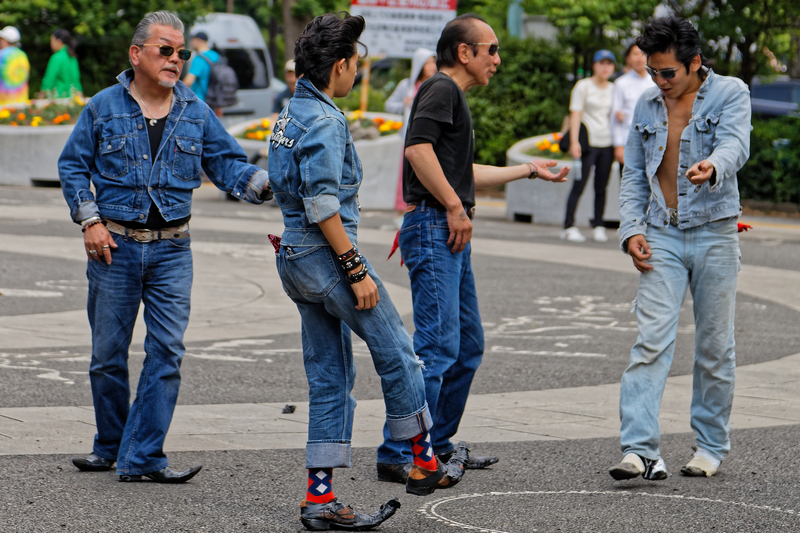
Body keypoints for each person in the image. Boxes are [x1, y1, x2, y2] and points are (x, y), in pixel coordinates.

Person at [267, 12, 468, 531]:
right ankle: (424, 461)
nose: (357, 72)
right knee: (400, 355)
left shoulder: (290, 114)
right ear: (339, 66)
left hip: (293, 258)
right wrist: (356, 269)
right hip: (327, 259)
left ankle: (320, 499)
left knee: (330, 377)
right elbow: (323, 205)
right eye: (355, 63)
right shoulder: (327, 121)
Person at [58, 11, 272, 484]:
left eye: (182, 53)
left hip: (174, 250)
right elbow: (73, 167)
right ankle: (111, 447)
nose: (176, 59)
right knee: (107, 356)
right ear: (136, 54)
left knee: (167, 352)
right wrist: (90, 221)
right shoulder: (103, 106)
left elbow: (228, 164)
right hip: (113, 246)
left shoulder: (196, 111)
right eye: (166, 50)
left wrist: (268, 185)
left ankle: (143, 457)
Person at [375, 13, 570, 485]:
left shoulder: (450, 96)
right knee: (437, 350)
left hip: (446, 227)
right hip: (435, 226)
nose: (498, 60)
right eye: (493, 49)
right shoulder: (441, 88)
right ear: (465, 52)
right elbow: (418, 154)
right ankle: (399, 451)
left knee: (466, 347)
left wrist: (528, 170)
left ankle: (435, 444)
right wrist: (453, 208)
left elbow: (461, 173)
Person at [610, 17, 750, 482]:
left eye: (668, 73)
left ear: (695, 63)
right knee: (650, 342)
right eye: (652, 72)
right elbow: (633, 175)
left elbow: (736, 143)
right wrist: (631, 230)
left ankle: (710, 445)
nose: (659, 81)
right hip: (661, 233)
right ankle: (640, 450)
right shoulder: (648, 105)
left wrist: (713, 165)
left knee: (714, 347)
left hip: (715, 231)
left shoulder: (731, 92)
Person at [561, 49, 616, 243]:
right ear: (594, 65)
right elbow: (575, 114)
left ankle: (598, 225)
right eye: (602, 63)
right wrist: (574, 141)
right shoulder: (583, 86)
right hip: (587, 143)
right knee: (579, 184)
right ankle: (568, 226)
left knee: (602, 187)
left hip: (607, 143)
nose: (605, 67)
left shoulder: (613, 88)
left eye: (609, 64)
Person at [385, 47, 437, 226]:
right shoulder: (406, 85)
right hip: (409, 138)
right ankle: (402, 213)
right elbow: (389, 105)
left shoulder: (436, 85)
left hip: (430, 139)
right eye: (428, 62)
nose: (432, 66)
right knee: (405, 176)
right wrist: (402, 104)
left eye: (433, 62)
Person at [610, 44, 654, 168]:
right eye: (635, 54)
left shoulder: (655, 82)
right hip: (628, 143)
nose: (639, 58)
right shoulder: (621, 83)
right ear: (628, 58)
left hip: (652, 143)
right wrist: (618, 145)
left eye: (643, 54)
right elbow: (615, 116)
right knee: (629, 185)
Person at [39, 29, 83, 99]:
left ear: (59, 41)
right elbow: (76, 80)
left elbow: (49, 80)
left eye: (52, 40)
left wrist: (40, 97)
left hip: (59, 100)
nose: (51, 43)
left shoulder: (56, 57)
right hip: (73, 100)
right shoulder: (72, 57)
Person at [183, 31, 220, 113]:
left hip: (200, 103)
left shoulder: (199, 59)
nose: (191, 43)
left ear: (198, 40)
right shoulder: (216, 56)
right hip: (214, 102)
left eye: (192, 40)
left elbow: (188, 82)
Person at [0, 26, 29, 106]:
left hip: (3, 105)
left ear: (5, 40)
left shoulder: (1, 55)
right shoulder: (23, 55)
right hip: (21, 103)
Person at [269, 59, 296, 126]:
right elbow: (274, 118)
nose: (291, 74)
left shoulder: (308, 95)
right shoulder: (281, 96)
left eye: (293, 71)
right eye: (288, 72)